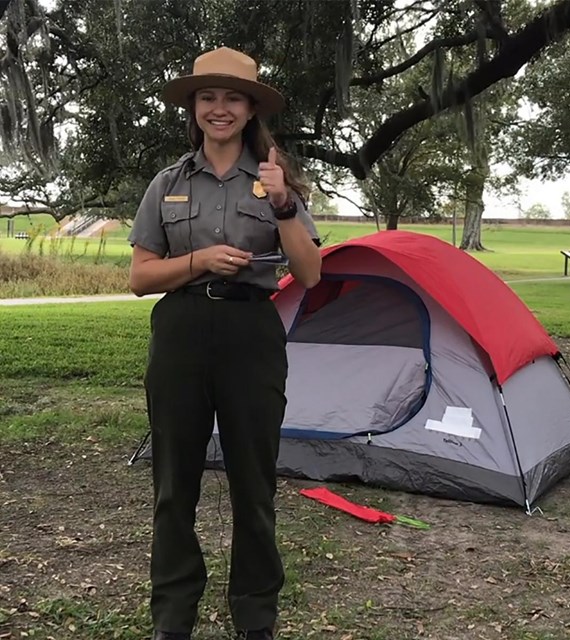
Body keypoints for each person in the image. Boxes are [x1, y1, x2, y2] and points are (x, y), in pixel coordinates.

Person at [127, 47, 322, 640]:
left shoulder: (274, 182)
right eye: (207, 97)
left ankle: (256, 617)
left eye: (232, 97)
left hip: (250, 334)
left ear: (250, 108)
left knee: (254, 483)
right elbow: (140, 278)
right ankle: (173, 617)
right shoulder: (167, 183)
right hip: (181, 333)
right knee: (173, 483)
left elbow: (309, 273)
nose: (219, 108)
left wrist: (285, 202)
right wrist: (201, 260)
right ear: (193, 106)